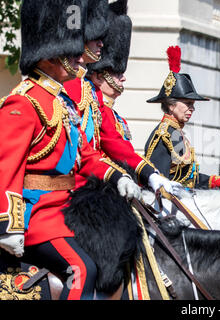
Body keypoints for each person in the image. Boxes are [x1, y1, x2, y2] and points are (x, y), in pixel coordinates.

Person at [0, 0, 142, 300]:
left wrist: (118, 178)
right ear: (54, 52)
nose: (81, 59)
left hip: (63, 210)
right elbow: (5, 166)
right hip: (35, 214)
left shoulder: (61, 100)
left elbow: (85, 155)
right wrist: (7, 224)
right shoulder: (24, 102)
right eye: (74, 52)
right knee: (82, 269)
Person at [64, 0, 180, 195]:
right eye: (95, 38)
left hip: (93, 180)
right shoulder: (67, 87)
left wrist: (150, 174)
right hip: (73, 187)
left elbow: (113, 142)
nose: (101, 43)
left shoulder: (90, 92)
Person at [145, 46, 220, 191]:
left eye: (193, 104)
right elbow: (158, 181)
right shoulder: (163, 135)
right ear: (171, 105)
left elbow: (188, 178)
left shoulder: (176, 133)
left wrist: (217, 182)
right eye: (188, 104)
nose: (192, 109)